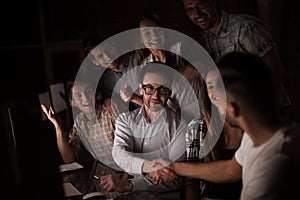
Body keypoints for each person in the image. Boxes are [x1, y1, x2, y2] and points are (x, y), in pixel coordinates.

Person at [154, 52, 300, 199]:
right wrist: (174, 167)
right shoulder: (256, 136)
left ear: (232, 109)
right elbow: (231, 169)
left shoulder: (274, 164)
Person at [181, 0, 291, 114]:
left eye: (201, 5)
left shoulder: (244, 27)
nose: (197, 14)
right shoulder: (199, 42)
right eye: (190, 10)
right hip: (236, 118)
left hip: (266, 112)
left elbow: (274, 68)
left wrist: (269, 109)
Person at [109, 62, 188, 199]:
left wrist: (131, 185)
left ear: (169, 92)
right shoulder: (125, 120)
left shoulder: (182, 125)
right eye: (150, 88)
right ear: (140, 90)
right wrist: (149, 166)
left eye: (162, 89)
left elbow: (176, 178)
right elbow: (120, 153)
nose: (156, 96)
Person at [41, 78, 128, 198]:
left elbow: (133, 150)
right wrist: (58, 126)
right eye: (78, 96)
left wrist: (124, 178)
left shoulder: (111, 112)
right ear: (73, 102)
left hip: (124, 175)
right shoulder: (80, 121)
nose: (85, 99)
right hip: (101, 176)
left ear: (95, 93)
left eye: (89, 92)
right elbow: (69, 158)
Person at [184, 69, 243, 199]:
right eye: (210, 86)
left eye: (220, 84)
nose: (214, 90)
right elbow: (191, 181)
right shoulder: (197, 127)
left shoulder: (248, 126)